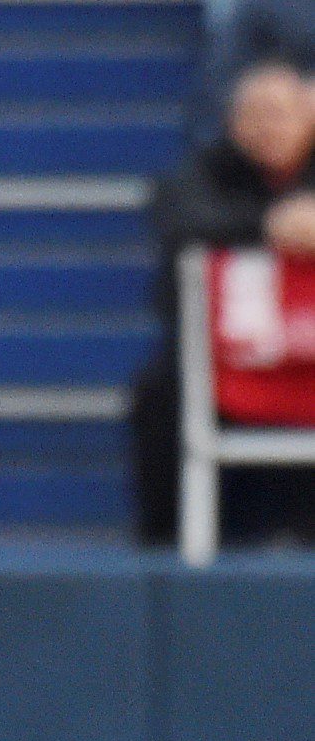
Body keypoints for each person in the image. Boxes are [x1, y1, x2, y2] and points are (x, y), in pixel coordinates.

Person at [130, 63, 315, 542]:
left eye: (281, 114)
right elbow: (178, 219)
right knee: (158, 395)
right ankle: (167, 550)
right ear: (234, 123)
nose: (268, 127)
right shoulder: (206, 172)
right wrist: (269, 227)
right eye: (256, 115)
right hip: (228, 359)